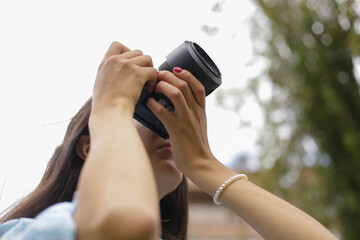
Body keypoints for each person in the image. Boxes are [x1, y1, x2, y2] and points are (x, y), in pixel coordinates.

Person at [0, 41, 338, 240]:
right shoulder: (21, 233)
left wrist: (206, 166)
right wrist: (111, 106)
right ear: (89, 145)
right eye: (142, 106)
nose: (165, 120)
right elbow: (118, 224)